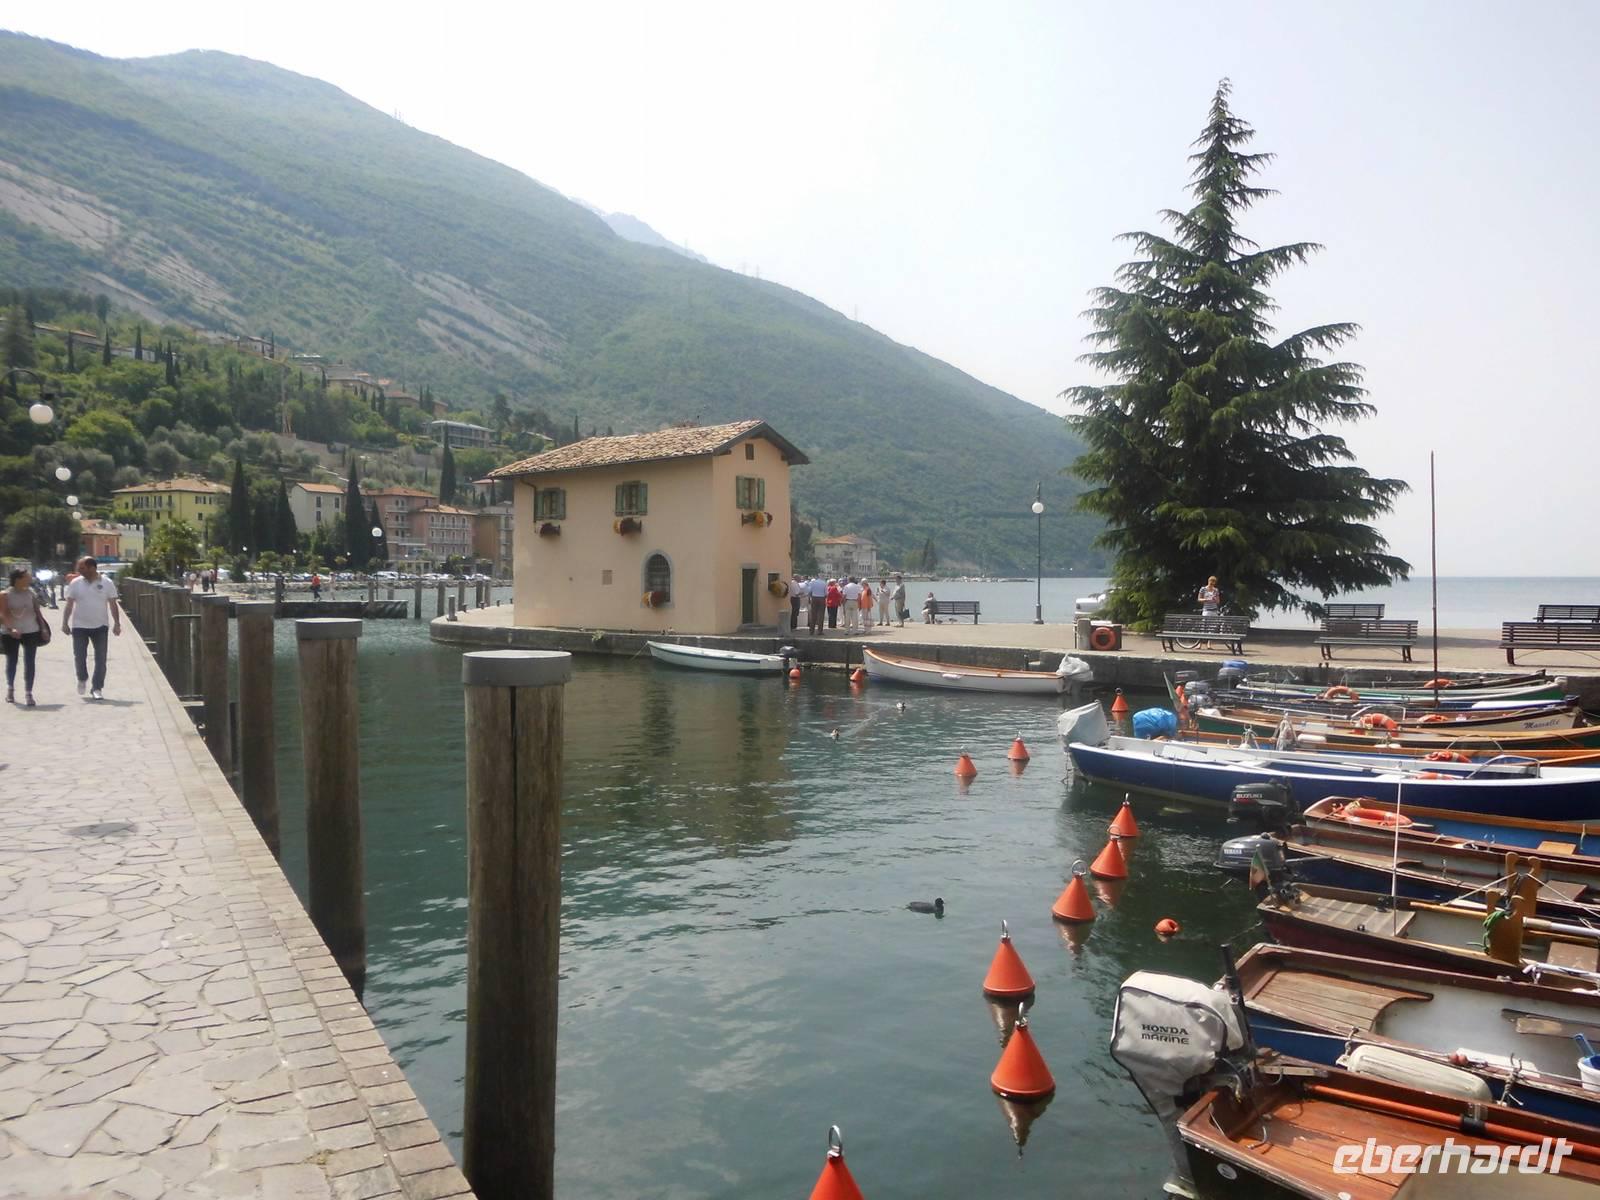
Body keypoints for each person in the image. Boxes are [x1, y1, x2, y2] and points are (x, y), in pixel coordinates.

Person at [61, 556, 121, 700]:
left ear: (92, 568)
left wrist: (117, 623)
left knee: (101, 659)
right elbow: (69, 604)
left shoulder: (107, 583)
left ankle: (97, 688)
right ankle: (82, 678)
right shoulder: (75, 583)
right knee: (79, 656)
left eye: (82, 568)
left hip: (100, 626)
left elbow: (113, 604)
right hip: (79, 626)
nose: (78, 570)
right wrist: (64, 622)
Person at [3, 566, 46, 706]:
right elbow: (3, 614)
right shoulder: (5, 594)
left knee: (30, 662)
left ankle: (28, 692)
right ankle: (10, 688)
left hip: (31, 630)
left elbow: (37, 612)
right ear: (17, 579)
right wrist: (11, 629)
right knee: (12, 661)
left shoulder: (31, 592)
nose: (30, 579)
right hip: (10, 632)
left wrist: (43, 628)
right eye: (27, 577)